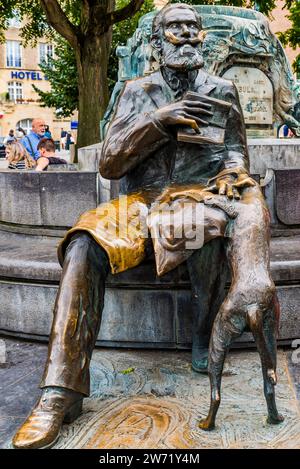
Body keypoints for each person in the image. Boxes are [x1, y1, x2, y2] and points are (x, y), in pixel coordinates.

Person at [13, 4, 276, 449]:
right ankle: (60, 392)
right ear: (157, 42)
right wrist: (158, 121)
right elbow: (109, 164)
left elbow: (236, 155)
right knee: (82, 243)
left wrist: (232, 174)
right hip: (142, 201)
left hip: (198, 196)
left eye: (193, 27)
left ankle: (201, 335)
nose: (188, 34)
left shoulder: (223, 90)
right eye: (176, 28)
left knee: (207, 226)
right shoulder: (136, 91)